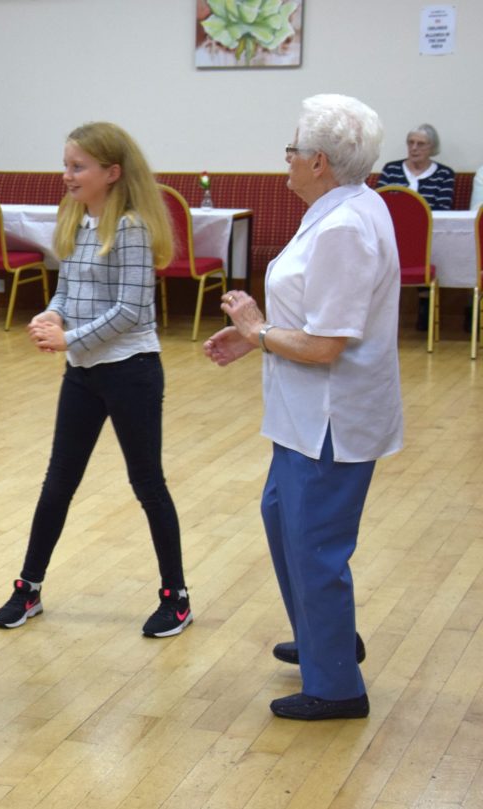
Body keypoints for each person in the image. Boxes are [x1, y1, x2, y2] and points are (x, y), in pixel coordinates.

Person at [205, 94, 403, 720]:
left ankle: (336, 686)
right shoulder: (341, 206)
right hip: (303, 414)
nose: (285, 160)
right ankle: (328, 640)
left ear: (319, 160)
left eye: (291, 149)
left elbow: (323, 345)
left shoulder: (346, 225)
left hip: (330, 420)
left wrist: (256, 329)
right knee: (281, 521)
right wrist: (254, 336)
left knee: (313, 545)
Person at [0, 121, 191, 638]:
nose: (67, 176)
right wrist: (53, 316)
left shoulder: (129, 227)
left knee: (147, 483)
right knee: (58, 482)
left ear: (112, 172)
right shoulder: (79, 219)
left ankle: (177, 597)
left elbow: (131, 309)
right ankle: (29, 586)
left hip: (132, 372)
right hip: (82, 373)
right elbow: (70, 290)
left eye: (77, 167)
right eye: (66, 165)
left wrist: (70, 338)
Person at [375, 123, 455, 210]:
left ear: (432, 147)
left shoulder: (444, 174)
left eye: (420, 144)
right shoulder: (391, 169)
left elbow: (443, 209)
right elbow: (378, 202)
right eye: (411, 142)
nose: (414, 148)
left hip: (429, 222)